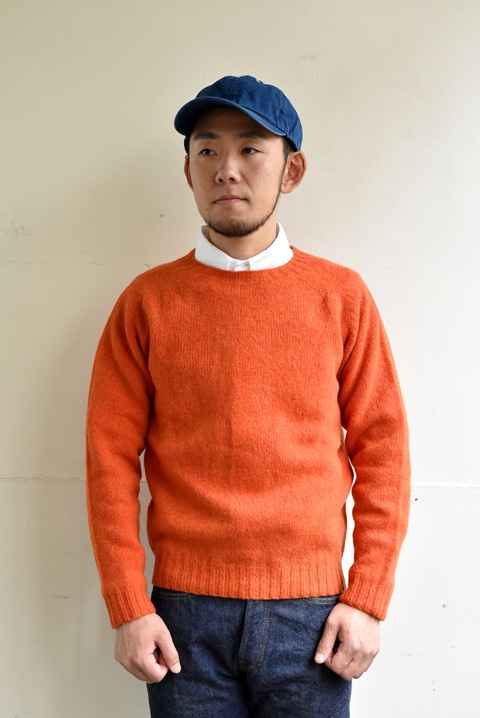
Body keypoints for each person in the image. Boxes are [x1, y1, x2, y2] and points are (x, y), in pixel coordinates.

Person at [86, 75, 410, 717]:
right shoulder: (147, 303)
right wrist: (128, 605)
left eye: (251, 149)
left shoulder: (341, 297)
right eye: (207, 150)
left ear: (292, 171)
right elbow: (108, 461)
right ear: (188, 171)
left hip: (313, 620)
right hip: (182, 619)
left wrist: (368, 599)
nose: (227, 169)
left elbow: (385, 451)